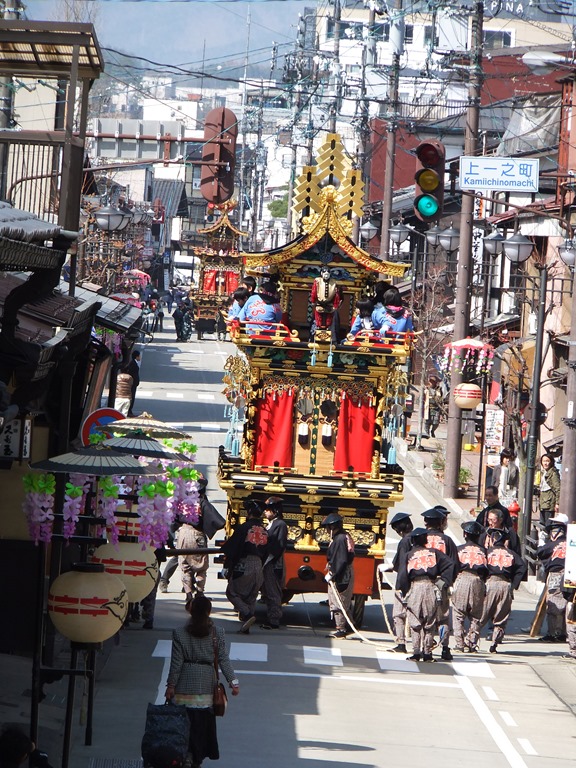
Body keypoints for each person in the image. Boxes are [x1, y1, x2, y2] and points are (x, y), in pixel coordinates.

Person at [165, 594, 239, 768]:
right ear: (209, 611)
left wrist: (171, 685)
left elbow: (176, 663)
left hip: (184, 687)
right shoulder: (217, 633)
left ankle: (187, 755)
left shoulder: (179, 633)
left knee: (183, 726)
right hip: (206, 688)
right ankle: (196, 758)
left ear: (190, 610)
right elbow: (223, 659)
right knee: (202, 728)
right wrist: (233, 681)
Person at [396, 527, 454, 662]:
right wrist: (443, 582)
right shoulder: (434, 553)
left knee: (415, 622)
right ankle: (427, 653)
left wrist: (404, 591)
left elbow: (402, 576)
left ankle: (416, 652)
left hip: (415, 587)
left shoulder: (409, 555)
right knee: (430, 621)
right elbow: (450, 564)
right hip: (431, 586)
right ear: (425, 540)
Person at [221, 498, 269, 633]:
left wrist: (228, 565)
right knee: (251, 596)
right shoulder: (265, 531)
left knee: (232, 592)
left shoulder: (244, 528)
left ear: (248, 513)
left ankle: (247, 614)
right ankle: (246, 626)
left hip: (244, 563)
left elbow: (234, 549)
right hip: (259, 564)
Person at [479, 527, 527, 653]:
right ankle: (495, 643)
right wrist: (514, 584)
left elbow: (480, 566)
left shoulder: (487, 552)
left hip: (490, 583)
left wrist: (482, 580)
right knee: (501, 616)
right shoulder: (511, 553)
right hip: (506, 584)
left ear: (493, 539)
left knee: (482, 615)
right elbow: (522, 567)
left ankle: (471, 641)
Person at [179, 478, 226, 600]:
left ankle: (188, 593)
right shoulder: (202, 502)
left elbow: (174, 519)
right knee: (201, 567)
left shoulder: (183, 502)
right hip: (197, 534)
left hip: (183, 533)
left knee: (185, 566)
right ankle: (199, 593)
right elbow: (219, 522)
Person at [421, 507, 458, 660]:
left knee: (424, 616)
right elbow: (455, 564)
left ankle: (425, 647)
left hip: (423, 582)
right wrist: (448, 581)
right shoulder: (447, 541)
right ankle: (444, 647)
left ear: (426, 523)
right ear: (441, 523)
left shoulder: (420, 539)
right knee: (443, 617)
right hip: (441, 582)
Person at [451, 520, 488, 653]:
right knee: (476, 615)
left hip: (462, 578)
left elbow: (454, 567)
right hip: (478, 580)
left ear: (465, 534)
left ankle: (460, 644)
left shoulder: (459, 549)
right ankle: (472, 643)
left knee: (458, 613)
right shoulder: (484, 551)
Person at [321, 512, 355, 639]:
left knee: (338, 601)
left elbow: (341, 560)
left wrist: (332, 573)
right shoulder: (343, 536)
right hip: (343, 571)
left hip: (341, 573)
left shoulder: (340, 539)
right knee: (343, 600)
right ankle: (350, 625)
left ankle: (341, 628)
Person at [537, 513, 569, 642]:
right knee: (568, 604)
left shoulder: (554, 545)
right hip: (570, 575)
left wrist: (541, 542)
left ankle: (553, 633)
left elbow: (540, 552)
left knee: (554, 604)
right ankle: (563, 632)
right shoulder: (571, 544)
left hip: (556, 574)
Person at [260, 496, 288, 630]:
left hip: (273, 562)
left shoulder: (280, 525)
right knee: (267, 590)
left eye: (268, 510)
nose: (265, 512)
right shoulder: (271, 524)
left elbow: (279, 545)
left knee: (273, 591)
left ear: (275, 511)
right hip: (267, 561)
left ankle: (274, 619)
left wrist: (269, 556)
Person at [387, 511, 414, 653]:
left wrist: (401, 586)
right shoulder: (418, 538)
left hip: (405, 581)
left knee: (399, 614)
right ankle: (420, 645)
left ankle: (401, 643)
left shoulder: (405, 541)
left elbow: (400, 564)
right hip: (418, 581)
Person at [310, 267, 342, 340]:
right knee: (318, 321)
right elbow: (314, 292)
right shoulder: (317, 281)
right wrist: (313, 301)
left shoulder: (334, 282)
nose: (326, 276)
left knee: (329, 322)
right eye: (325, 274)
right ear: (321, 273)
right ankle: (315, 337)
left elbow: (337, 295)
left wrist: (335, 305)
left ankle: (330, 338)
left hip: (330, 305)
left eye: (328, 274)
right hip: (319, 304)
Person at [539, 454, 561, 530]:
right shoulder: (544, 472)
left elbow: (558, 489)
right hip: (543, 503)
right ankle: (543, 540)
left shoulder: (553, 473)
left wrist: (557, 503)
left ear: (551, 462)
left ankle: (547, 540)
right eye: (544, 461)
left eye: (547, 461)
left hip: (549, 503)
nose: (545, 463)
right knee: (542, 524)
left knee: (547, 526)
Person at [126, 349, 141, 416]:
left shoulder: (133, 363)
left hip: (133, 383)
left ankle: (129, 411)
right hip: (132, 384)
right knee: (131, 397)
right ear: (136, 356)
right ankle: (129, 411)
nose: (140, 357)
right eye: (139, 356)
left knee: (132, 397)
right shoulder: (132, 364)